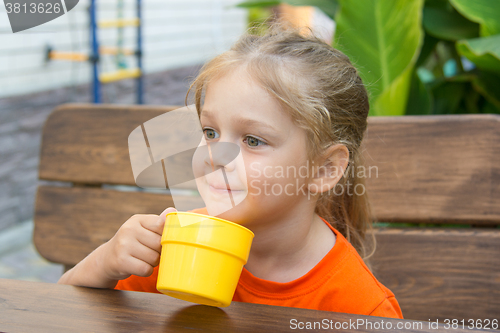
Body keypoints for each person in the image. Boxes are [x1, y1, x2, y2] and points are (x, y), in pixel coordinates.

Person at [58, 22, 403, 319]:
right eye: (210, 132)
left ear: (324, 169)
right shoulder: (175, 246)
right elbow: (56, 314)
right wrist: (104, 262)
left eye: (253, 140)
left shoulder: (360, 307)